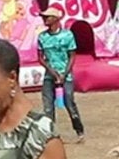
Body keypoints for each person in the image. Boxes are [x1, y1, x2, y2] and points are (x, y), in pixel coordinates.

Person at [37, 7, 86, 142]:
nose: (44, 19)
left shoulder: (67, 35)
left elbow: (72, 56)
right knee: (48, 107)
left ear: (55, 19)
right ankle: (50, 133)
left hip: (66, 75)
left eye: (47, 17)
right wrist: (52, 72)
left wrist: (64, 74)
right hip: (49, 76)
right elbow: (41, 58)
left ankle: (79, 130)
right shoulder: (42, 37)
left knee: (69, 103)